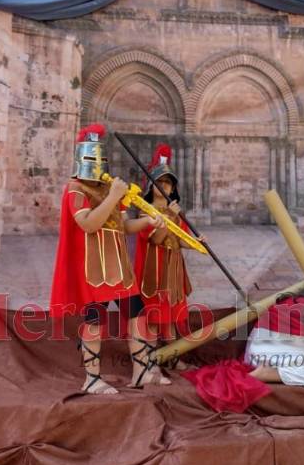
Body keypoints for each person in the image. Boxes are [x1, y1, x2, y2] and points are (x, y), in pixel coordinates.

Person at [49, 124, 171, 394]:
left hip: (119, 266)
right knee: (95, 321)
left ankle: (143, 372)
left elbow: (123, 226)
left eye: (100, 157)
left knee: (137, 315)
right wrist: (114, 195)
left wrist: (149, 222)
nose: (98, 163)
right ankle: (92, 379)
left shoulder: (106, 188)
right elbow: (90, 224)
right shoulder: (75, 189)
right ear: (83, 157)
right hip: (93, 269)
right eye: (92, 157)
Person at [133, 143, 201, 369]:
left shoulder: (176, 213)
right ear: (151, 187)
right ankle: (151, 359)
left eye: (167, 183)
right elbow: (156, 239)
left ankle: (172, 357)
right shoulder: (145, 212)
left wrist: (196, 244)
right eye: (159, 182)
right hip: (154, 272)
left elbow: (181, 239)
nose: (163, 186)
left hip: (173, 271)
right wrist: (170, 217)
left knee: (170, 319)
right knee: (154, 318)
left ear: (173, 189)